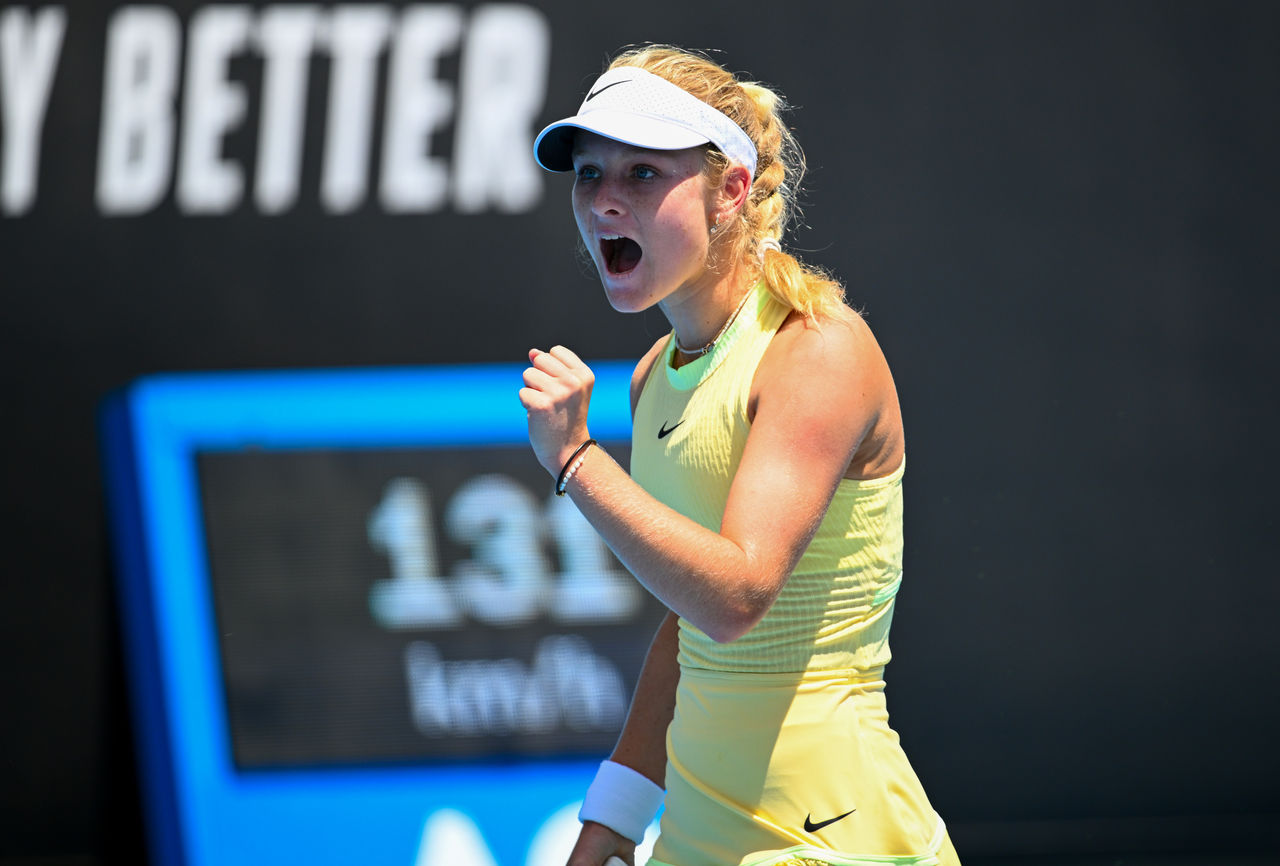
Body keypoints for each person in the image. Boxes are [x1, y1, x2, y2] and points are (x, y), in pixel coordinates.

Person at [519, 45, 960, 866]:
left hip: (835, 837)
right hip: (699, 836)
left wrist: (577, 461)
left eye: (642, 175)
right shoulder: (655, 376)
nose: (605, 202)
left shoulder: (816, 350)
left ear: (731, 191)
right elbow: (687, 628)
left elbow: (734, 598)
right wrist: (615, 814)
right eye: (589, 175)